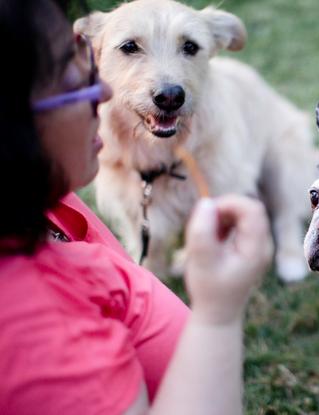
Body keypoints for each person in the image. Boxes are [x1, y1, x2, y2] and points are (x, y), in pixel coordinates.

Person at [0, 0, 272, 413]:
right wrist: (218, 314)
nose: (99, 88)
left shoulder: (50, 190)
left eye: (188, 47)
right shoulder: (32, 326)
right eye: (130, 48)